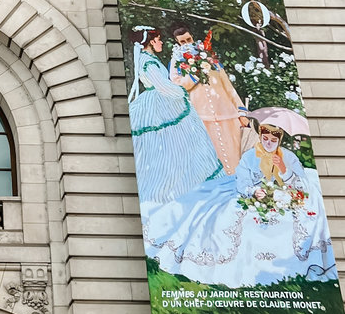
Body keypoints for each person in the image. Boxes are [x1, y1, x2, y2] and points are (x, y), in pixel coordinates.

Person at [143, 119, 337, 288]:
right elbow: (243, 182)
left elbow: (300, 184)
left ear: (279, 141)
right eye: (265, 139)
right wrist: (254, 191)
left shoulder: (288, 157)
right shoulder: (251, 156)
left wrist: (283, 169)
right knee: (225, 214)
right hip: (257, 194)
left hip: (282, 194)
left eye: (273, 140)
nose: (268, 143)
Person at [127, 26, 223, 207]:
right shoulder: (147, 61)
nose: (162, 42)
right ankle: (175, 190)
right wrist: (182, 91)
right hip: (160, 105)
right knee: (173, 148)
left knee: (183, 146)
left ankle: (189, 183)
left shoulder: (149, 58)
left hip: (163, 102)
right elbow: (163, 86)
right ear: (151, 41)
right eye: (159, 39)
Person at [168, 23, 249, 174]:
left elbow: (227, 85)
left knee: (235, 152)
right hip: (201, 115)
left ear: (193, 37)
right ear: (177, 43)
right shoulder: (176, 61)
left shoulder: (208, 55)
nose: (187, 44)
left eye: (189, 39)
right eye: (182, 42)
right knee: (212, 156)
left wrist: (241, 112)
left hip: (226, 112)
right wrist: (193, 76)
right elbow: (177, 86)